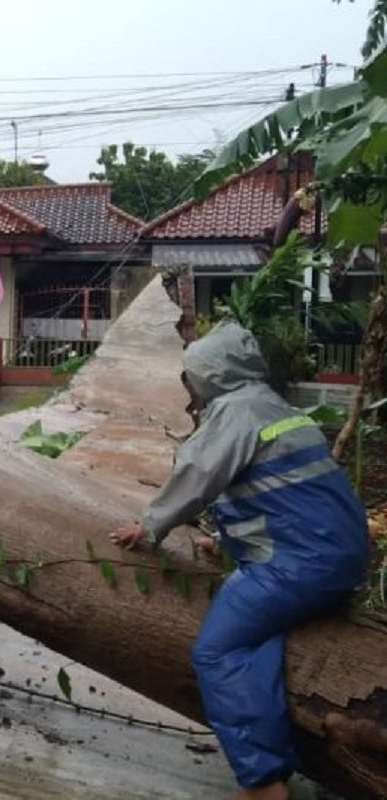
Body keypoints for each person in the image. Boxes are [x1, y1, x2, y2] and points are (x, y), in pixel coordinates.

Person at [109, 321, 369, 800]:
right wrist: (224, 541)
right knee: (256, 638)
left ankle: (263, 783)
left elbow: (199, 474)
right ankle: (277, 761)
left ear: (210, 373)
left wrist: (149, 525)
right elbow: (280, 495)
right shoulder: (275, 406)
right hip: (339, 560)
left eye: (192, 375)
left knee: (218, 651)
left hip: (298, 567)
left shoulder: (235, 410)